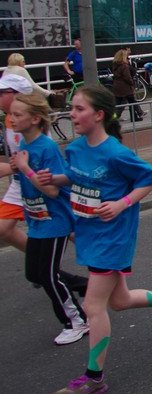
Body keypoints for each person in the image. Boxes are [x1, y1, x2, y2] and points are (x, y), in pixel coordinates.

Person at [35, 86, 152, 394]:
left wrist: (122, 203)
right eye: (71, 108)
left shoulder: (116, 153)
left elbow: (150, 178)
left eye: (79, 109)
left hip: (113, 237)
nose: (71, 114)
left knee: (93, 306)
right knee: (119, 301)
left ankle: (94, 378)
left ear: (98, 115)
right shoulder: (75, 149)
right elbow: (78, 177)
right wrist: (54, 179)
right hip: (89, 233)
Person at [7, 92, 88, 344]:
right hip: (37, 220)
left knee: (48, 276)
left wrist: (24, 168)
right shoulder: (24, 144)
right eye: (10, 114)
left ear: (35, 119)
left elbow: (52, 190)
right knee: (35, 273)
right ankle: (84, 286)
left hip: (55, 219)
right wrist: (17, 168)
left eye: (17, 115)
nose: (11, 119)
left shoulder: (47, 148)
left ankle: (77, 322)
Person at [111, 49, 144, 121]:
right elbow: (127, 77)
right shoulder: (124, 66)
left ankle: (114, 117)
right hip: (125, 87)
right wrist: (131, 83)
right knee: (132, 102)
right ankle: (134, 117)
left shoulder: (115, 65)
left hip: (117, 86)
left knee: (118, 103)